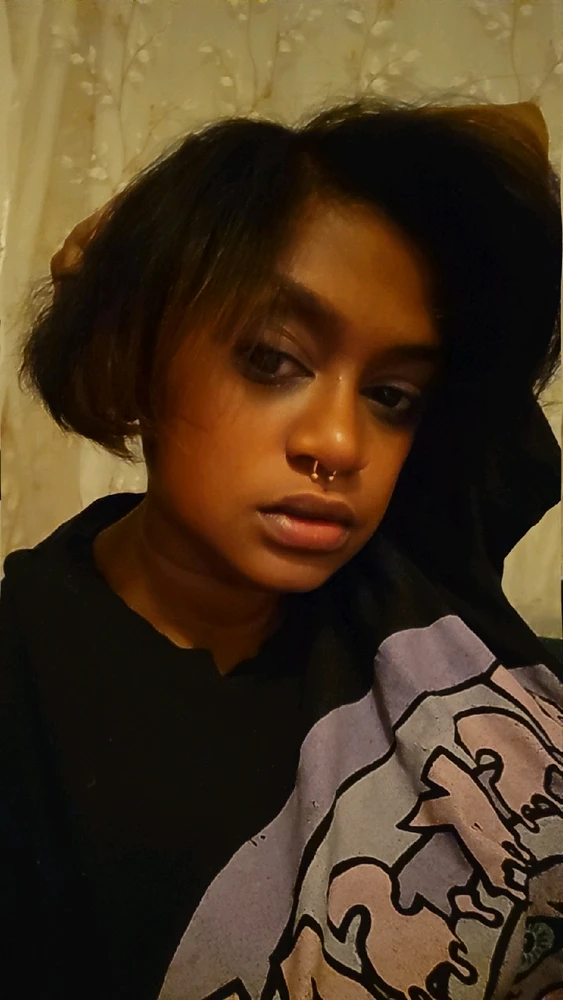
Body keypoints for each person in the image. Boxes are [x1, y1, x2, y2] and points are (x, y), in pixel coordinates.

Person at [1, 97, 562, 1000]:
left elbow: (516, 144)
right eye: (271, 360)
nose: (340, 444)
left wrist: (224, 197)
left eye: (390, 395)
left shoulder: (419, 539)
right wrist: (161, 243)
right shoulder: (30, 691)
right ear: (130, 354)